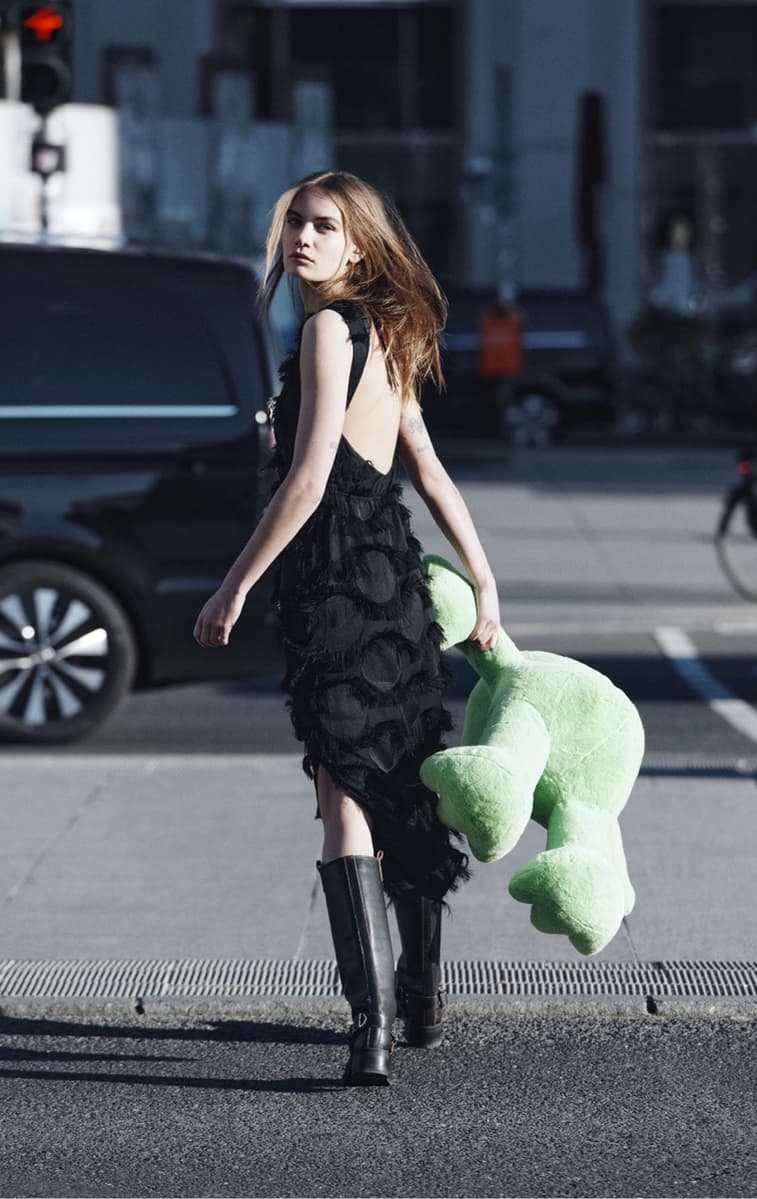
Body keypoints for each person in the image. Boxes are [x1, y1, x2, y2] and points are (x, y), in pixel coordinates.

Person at [193, 170, 499, 1086]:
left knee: (345, 800)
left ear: (359, 243)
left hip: (336, 587)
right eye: (295, 222)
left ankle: (366, 1029)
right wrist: (483, 583)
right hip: (396, 585)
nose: (303, 238)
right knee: (401, 783)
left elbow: (309, 475)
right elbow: (430, 471)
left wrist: (234, 584)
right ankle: (420, 999)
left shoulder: (330, 328)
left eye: (324, 225)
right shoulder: (394, 333)